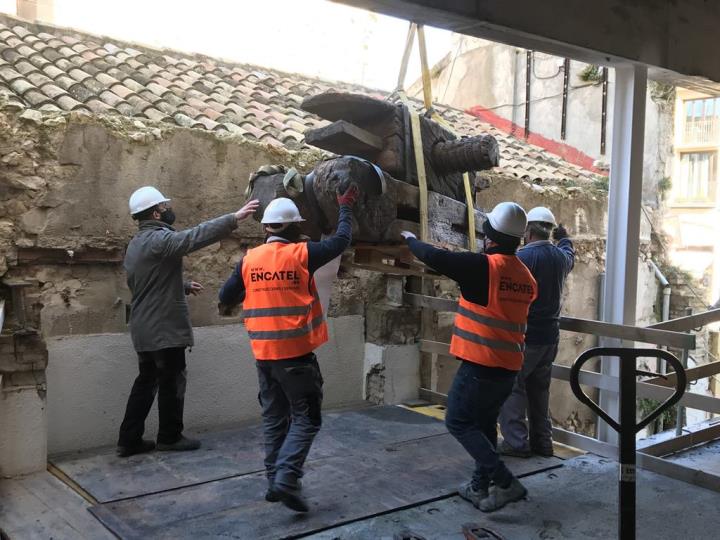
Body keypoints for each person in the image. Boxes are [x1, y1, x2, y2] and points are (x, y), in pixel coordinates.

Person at [218, 184, 359, 513]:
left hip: (264, 356)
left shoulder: (249, 260)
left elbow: (226, 297)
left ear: (266, 228)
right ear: (295, 227)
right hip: (295, 356)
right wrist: (345, 206)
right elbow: (341, 241)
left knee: (274, 418)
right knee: (307, 419)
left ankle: (274, 481)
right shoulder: (302, 254)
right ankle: (286, 478)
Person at [400, 202, 537, 513]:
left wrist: (410, 239)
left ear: (489, 239)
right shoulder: (525, 276)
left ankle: (505, 483)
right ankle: (479, 486)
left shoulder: (485, 267)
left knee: (458, 420)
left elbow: (437, 257)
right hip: (508, 367)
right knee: (485, 423)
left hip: (481, 365)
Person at [117, 186, 259, 458]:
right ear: (157, 212)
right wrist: (234, 218)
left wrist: (179, 285)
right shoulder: (159, 240)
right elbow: (193, 237)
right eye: (165, 206)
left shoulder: (136, 244)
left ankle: (129, 440)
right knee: (172, 380)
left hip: (144, 326)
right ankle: (170, 437)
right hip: (164, 328)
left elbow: (144, 281)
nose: (170, 209)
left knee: (146, 381)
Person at [498, 207, 575, 458]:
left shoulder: (522, 258)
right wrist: (565, 238)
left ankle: (517, 443)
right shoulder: (560, 258)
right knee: (539, 391)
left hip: (526, 336)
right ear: (549, 231)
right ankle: (543, 443)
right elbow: (569, 252)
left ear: (527, 232)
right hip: (550, 338)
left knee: (512, 387)